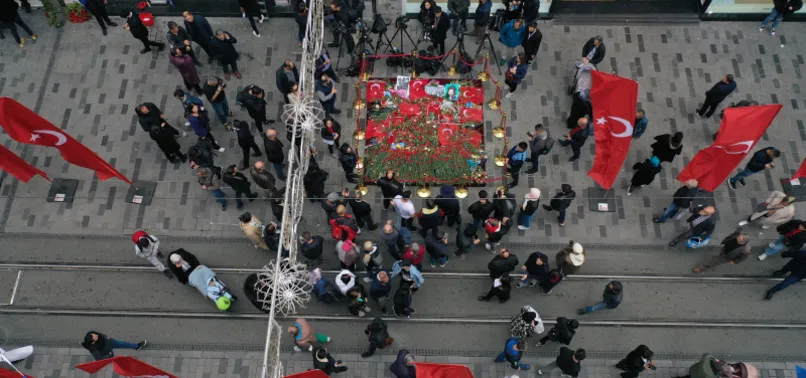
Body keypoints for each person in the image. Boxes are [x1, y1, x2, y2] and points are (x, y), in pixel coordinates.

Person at [81, 331, 146, 361]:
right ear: (93, 342)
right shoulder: (94, 349)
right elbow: (98, 359)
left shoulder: (90, 333)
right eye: (95, 337)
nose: (96, 335)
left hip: (110, 341)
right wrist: (109, 355)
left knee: (122, 344)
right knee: (116, 358)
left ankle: (137, 346)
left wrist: (106, 337)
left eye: (95, 334)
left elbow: (99, 334)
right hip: (107, 350)